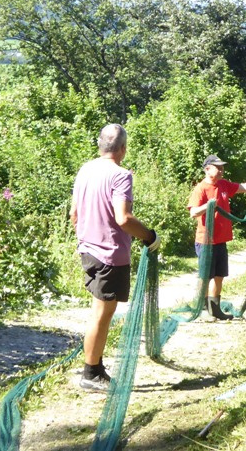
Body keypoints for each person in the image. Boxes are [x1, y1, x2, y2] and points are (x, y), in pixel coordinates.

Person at [69, 123, 161, 391]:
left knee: (99, 311)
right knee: (102, 314)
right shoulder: (120, 175)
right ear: (123, 148)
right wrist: (149, 236)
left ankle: (94, 366)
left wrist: (86, 237)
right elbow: (124, 219)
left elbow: (74, 214)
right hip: (109, 254)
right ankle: (91, 373)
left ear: (100, 146)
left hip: (88, 249)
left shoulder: (85, 169)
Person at [187, 155, 246, 321]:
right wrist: (208, 205)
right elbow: (193, 212)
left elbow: (243, 187)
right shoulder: (201, 189)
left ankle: (215, 309)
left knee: (219, 276)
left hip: (221, 241)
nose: (221, 170)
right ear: (207, 169)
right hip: (206, 241)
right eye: (217, 167)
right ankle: (203, 309)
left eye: (222, 167)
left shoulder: (224, 185)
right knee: (206, 277)